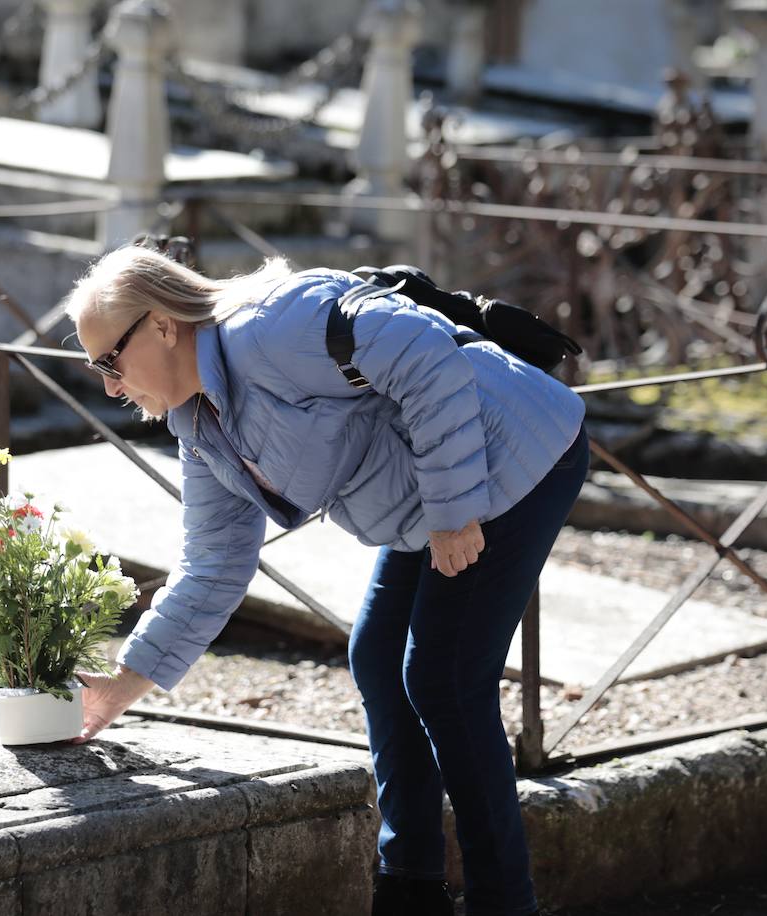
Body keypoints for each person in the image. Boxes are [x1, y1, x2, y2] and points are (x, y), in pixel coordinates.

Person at [62, 244, 589, 916]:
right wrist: (122, 684)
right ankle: (410, 887)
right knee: (377, 658)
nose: (109, 385)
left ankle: (504, 904)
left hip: (517, 455)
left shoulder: (273, 325)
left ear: (163, 326)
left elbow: (427, 354)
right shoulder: (199, 421)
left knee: (446, 680)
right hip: (431, 499)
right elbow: (214, 562)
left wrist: (456, 511)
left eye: (110, 361)